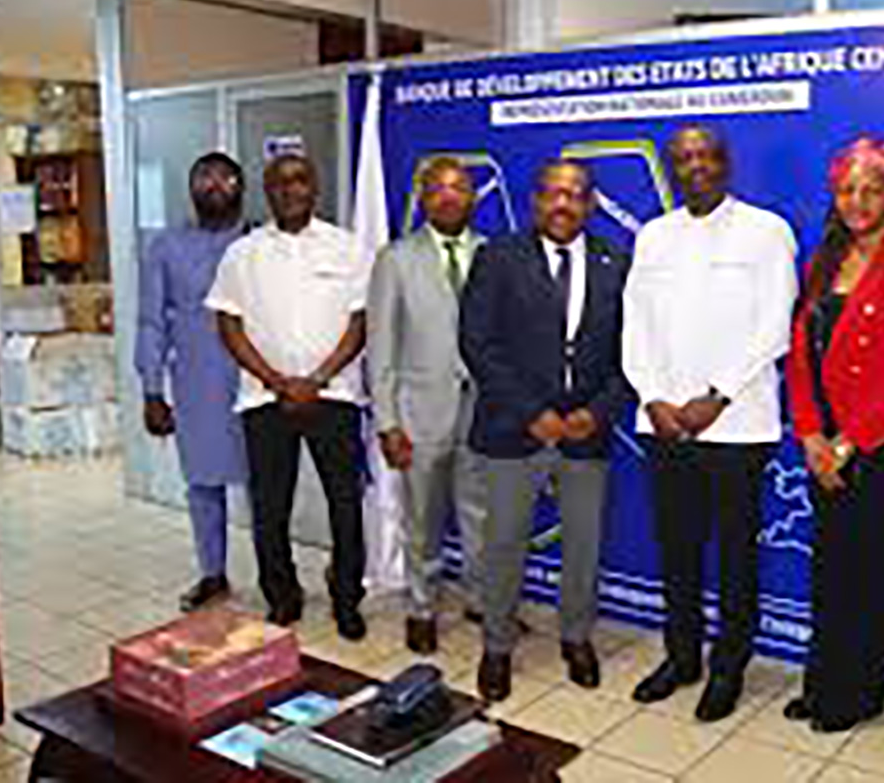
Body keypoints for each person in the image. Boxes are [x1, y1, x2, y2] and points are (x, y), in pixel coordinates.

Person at [623, 125, 798, 723]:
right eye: (683, 158)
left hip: (736, 427)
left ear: (726, 163)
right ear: (672, 169)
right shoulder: (653, 236)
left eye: (706, 155)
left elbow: (775, 326)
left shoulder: (766, 231)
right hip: (664, 425)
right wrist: (652, 396)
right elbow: (634, 325)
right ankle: (682, 658)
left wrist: (717, 395)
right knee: (678, 551)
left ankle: (728, 667)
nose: (695, 165)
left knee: (734, 557)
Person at [783, 138, 884, 732]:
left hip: (882, 449)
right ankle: (822, 681)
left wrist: (849, 441)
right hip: (825, 448)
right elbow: (800, 355)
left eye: (872, 190)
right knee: (829, 572)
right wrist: (810, 434)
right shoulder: (822, 262)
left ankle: (856, 694)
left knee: (869, 576)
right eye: (848, 189)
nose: (857, 201)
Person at [460, 159, 632, 702]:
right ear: (536, 199)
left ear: (590, 203)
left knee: (584, 544)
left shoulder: (615, 262)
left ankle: (577, 637)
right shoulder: (497, 257)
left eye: (575, 194)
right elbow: (477, 343)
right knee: (503, 544)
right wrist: (531, 412)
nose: (563, 204)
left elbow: (633, 351)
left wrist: (597, 412)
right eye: (553, 193)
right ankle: (496, 645)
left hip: (586, 432)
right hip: (513, 429)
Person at [205, 154, 373, 641]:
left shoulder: (348, 247)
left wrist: (317, 378)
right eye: (278, 183)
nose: (290, 190)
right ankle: (282, 595)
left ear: (314, 187)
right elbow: (228, 324)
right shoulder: (243, 254)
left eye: (299, 180)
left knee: (345, 504)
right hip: (265, 400)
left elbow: (360, 322)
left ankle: (347, 597)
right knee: (270, 506)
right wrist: (277, 381)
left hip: (334, 396)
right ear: (266, 191)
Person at [367, 156, 489, 655]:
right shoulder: (396, 259)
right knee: (422, 521)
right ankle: (421, 607)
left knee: (481, 516)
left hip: (482, 414)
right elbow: (380, 348)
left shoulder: (492, 254)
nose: (448, 196)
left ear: (472, 197)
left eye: (458, 187)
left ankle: (481, 600)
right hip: (419, 415)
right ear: (422, 197)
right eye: (437, 188)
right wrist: (387, 422)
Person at [135, 152, 248, 613]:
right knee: (203, 485)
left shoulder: (259, 241)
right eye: (205, 178)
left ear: (241, 187)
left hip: (260, 382)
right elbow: (151, 322)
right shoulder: (166, 247)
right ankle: (213, 574)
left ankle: (278, 577)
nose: (215, 186)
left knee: (268, 486)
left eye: (226, 178)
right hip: (198, 386)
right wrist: (151, 390)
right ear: (191, 187)